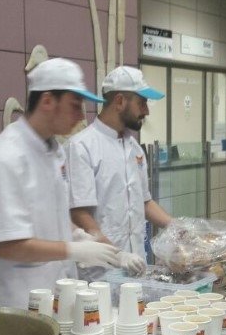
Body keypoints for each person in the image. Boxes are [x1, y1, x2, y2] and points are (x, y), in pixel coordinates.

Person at [0, 58, 121, 308]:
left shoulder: (54, 151)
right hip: (16, 301)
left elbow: (51, 212)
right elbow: (7, 245)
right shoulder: (4, 158)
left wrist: (80, 235)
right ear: (47, 101)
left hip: (56, 293)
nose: (81, 115)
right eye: (75, 105)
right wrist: (73, 250)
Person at [67, 66, 172, 279]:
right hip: (100, 272)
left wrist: (177, 228)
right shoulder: (82, 146)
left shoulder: (134, 148)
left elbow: (144, 202)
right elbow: (79, 213)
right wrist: (117, 254)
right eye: (142, 103)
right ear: (120, 101)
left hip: (137, 264)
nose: (146, 111)